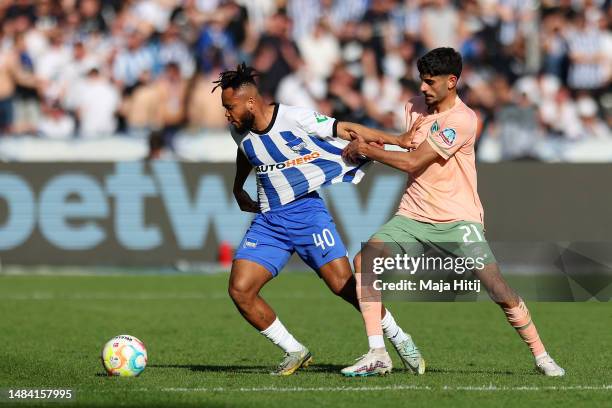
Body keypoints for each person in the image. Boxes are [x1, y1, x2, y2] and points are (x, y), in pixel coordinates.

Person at [341, 48, 565, 377]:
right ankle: (378, 351)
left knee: (499, 290)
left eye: (430, 82)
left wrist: (367, 149)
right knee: (366, 260)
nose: (423, 88)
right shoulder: (413, 107)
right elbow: (405, 144)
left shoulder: (462, 119)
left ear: (451, 81)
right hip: (413, 215)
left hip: (457, 220)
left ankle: (541, 355)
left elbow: (413, 161)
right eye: (421, 81)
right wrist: (367, 141)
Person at [213, 63, 425, 376]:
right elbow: (247, 152)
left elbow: (347, 130)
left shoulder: (292, 117)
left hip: (306, 215)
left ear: (250, 103)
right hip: (269, 220)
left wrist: (397, 138)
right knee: (240, 290)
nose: (227, 114)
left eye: (229, 107)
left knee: (343, 286)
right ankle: (294, 350)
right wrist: (237, 186)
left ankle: (400, 338)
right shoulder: (239, 130)